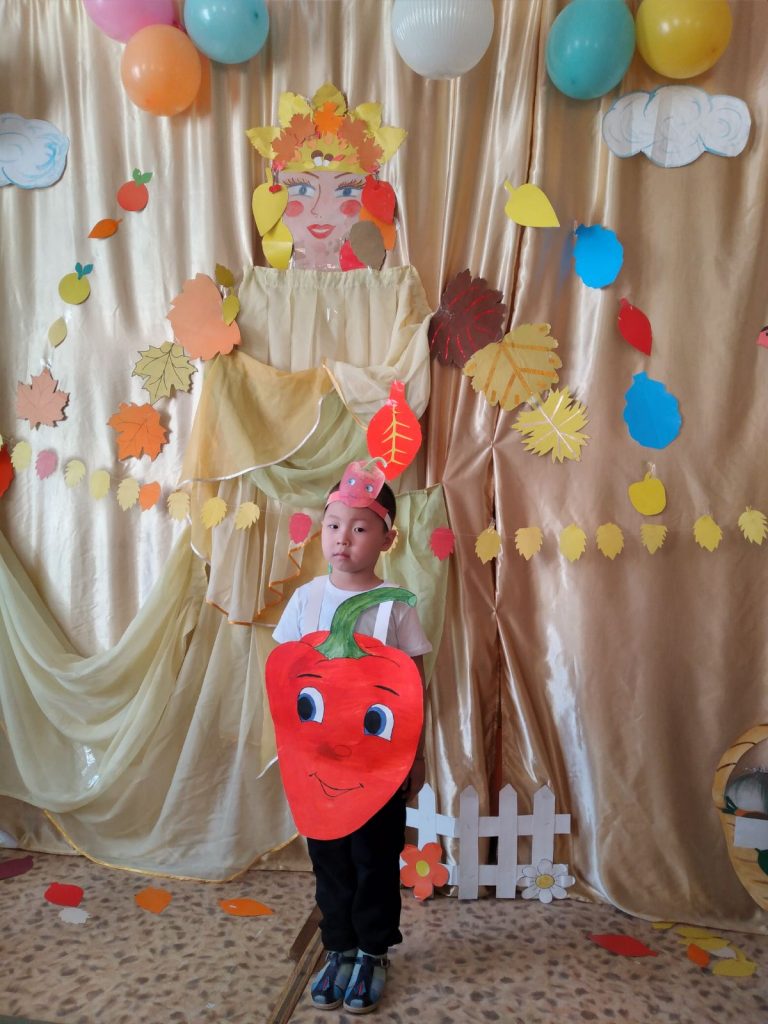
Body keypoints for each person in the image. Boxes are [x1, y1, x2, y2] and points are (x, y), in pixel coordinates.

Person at [272, 462, 431, 1014]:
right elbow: (287, 680)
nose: (343, 537)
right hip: (318, 766)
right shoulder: (306, 600)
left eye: (360, 527)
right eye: (334, 525)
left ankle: (372, 952)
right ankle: (337, 947)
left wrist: (415, 756)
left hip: (377, 767)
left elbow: (412, 690)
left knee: (374, 858)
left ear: (387, 538)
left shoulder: (396, 605)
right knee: (330, 860)